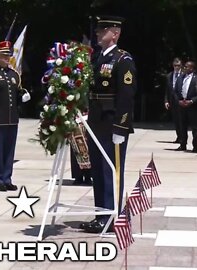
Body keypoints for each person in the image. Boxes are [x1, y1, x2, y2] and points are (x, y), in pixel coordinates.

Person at [80, 15, 136, 233]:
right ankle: (101, 214)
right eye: (98, 30)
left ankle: (112, 215)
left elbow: (126, 96)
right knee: (97, 169)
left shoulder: (123, 60)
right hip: (96, 122)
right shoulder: (98, 59)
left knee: (110, 170)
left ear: (115, 33)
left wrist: (121, 127)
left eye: (103, 30)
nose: (98, 33)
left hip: (112, 123)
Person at [0, 41, 31, 191]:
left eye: (8, 55)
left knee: (10, 150)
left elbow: (17, 94)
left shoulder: (14, 74)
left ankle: (7, 178)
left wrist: (23, 96)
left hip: (11, 119)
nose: (7, 58)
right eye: (4, 55)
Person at [175, 61, 197, 152]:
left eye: (187, 67)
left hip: (192, 106)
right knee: (182, 126)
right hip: (182, 105)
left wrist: (192, 101)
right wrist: (179, 100)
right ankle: (183, 144)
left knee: (194, 127)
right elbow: (175, 91)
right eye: (184, 66)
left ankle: (195, 146)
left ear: (192, 68)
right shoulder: (180, 78)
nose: (184, 68)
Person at [164, 57, 183, 144]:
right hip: (172, 101)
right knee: (176, 120)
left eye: (178, 65)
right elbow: (167, 90)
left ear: (181, 65)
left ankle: (183, 137)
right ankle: (179, 136)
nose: (177, 67)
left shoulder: (183, 75)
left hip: (181, 100)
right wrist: (166, 101)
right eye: (175, 65)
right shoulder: (169, 76)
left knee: (181, 120)